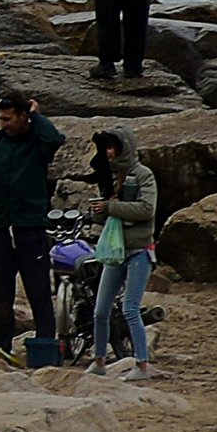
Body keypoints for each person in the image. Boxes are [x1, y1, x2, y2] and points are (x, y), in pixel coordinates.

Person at [0, 88, 67, 351]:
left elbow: (55, 139)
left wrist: (37, 115)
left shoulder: (38, 142)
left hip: (30, 227)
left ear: (23, 116)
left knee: (39, 290)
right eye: (1, 119)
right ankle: (1, 344)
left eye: (9, 119)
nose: (4, 124)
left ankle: (45, 344)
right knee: (1, 292)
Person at [81, 124, 158, 379]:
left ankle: (142, 364)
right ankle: (99, 360)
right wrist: (99, 213)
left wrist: (111, 208)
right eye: (106, 148)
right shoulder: (110, 178)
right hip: (116, 252)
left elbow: (147, 209)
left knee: (130, 308)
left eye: (112, 147)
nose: (109, 153)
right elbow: (109, 217)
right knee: (100, 310)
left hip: (139, 252)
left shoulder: (144, 175)